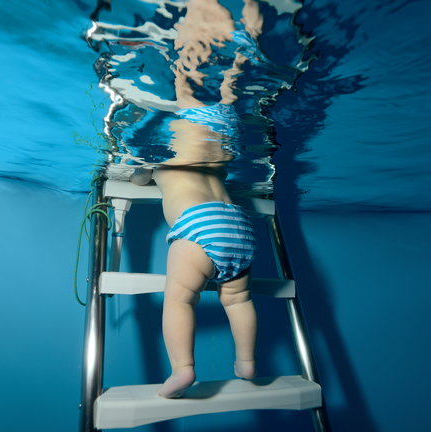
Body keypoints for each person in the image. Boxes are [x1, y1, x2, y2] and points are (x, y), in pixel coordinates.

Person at [129, 0, 265, 399]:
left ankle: (183, 370)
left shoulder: (161, 160)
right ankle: (247, 362)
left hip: (200, 226)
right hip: (238, 225)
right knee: (238, 300)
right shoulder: (217, 163)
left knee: (179, 299)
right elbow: (215, 163)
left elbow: (139, 177)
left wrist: (141, 171)